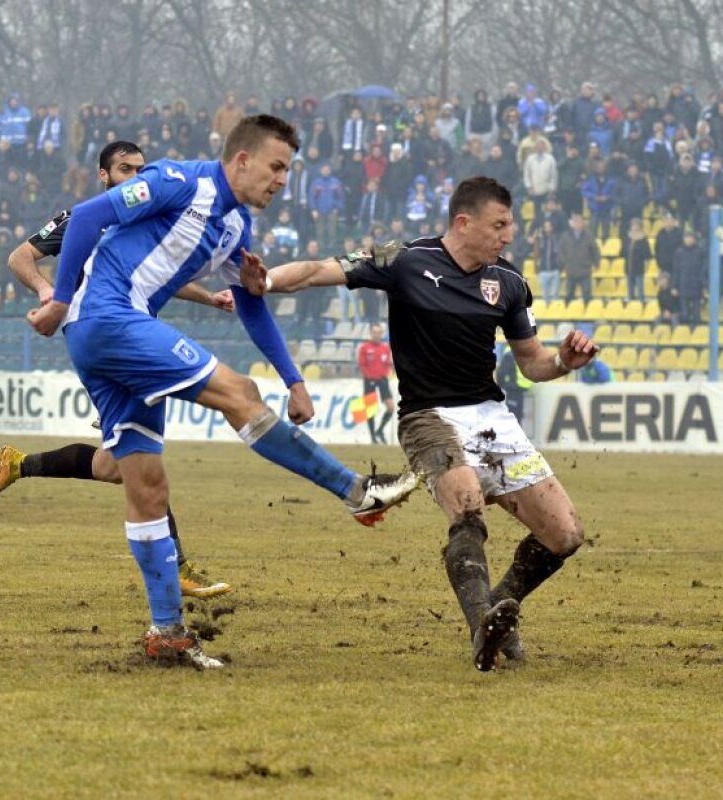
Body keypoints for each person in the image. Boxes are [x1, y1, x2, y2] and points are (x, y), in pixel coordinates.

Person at [24, 115, 418, 667]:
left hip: (104, 337)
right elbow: (89, 216)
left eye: (288, 170)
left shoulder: (235, 228)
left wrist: (295, 380)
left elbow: (252, 303)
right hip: (107, 318)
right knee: (239, 392)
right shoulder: (179, 183)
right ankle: (355, 491)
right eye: (276, 167)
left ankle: (168, 635)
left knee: (145, 484)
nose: (282, 181)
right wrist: (61, 296)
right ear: (241, 160)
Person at [243, 176, 598, 671]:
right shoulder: (406, 260)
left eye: (510, 225)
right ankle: (482, 625)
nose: (508, 235)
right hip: (427, 417)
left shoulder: (509, 283)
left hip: (492, 417)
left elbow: (532, 363)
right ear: (463, 222)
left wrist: (561, 362)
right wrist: (269, 282)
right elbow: (319, 270)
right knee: (468, 513)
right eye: (499, 225)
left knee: (565, 534)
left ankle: (498, 608)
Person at [0, 141, 239, 600]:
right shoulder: (85, 216)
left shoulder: (148, 212)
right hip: (99, 340)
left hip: (131, 336)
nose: (134, 175)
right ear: (103, 175)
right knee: (140, 457)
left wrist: (210, 297)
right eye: (124, 169)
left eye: (140, 168)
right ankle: (176, 566)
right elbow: (19, 256)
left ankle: (19, 464)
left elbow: (164, 276)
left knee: (116, 465)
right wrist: (47, 292)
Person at [357, 322, 395, 444]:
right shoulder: (365, 347)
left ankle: (380, 430)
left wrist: (384, 375)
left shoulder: (385, 348)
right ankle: (373, 436)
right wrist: (370, 377)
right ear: (370, 333)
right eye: (374, 332)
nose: (377, 335)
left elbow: (388, 365)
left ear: (382, 334)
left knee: (391, 407)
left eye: (379, 332)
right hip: (369, 381)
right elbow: (362, 365)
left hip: (382, 380)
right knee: (370, 409)